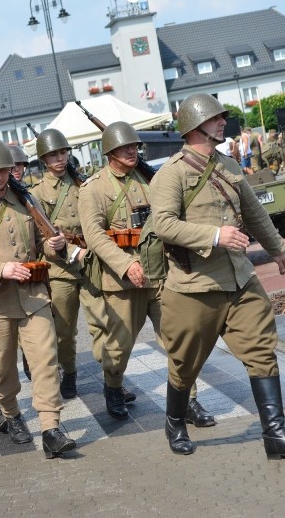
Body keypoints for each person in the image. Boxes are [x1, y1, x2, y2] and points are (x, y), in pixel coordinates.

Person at [151, 93, 285, 459]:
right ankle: (175, 420)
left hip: (240, 278)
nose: (223, 122)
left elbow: (252, 209)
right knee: (184, 363)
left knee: (261, 350)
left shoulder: (228, 164)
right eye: (215, 118)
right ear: (195, 126)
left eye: (222, 117)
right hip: (195, 287)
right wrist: (213, 235)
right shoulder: (171, 173)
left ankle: (275, 435)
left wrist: (275, 247)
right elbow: (162, 224)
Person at [0, 139, 76, 458]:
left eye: (3, 169)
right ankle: (10, 413)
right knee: (3, 370)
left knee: (46, 361)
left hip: (34, 297)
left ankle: (51, 428)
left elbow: (40, 244)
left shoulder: (26, 202)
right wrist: (0, 269)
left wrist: (55, 244)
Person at [78, 122, 211, 423]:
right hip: (122, 282)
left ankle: (187, 402)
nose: (132, 151)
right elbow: (95, 236)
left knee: (177, 339)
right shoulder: (93, 189)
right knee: (118, 348)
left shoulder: (154, 179)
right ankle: (113, 387)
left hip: (161, 275)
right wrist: (126, 265)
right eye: (125, 147)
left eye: (135, 146)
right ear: (109, 151)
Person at [30, 129, 108, 398]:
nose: (59, 158)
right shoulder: (37, 193)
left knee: (103, 322)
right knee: (64, 331)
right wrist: (55, 248)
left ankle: (113, 380)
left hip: (89, 263)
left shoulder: (83, 183)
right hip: (60, 270)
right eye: (53, 154)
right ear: (43, 159)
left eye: (62, 152)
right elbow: (41, 237)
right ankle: (70, 372)